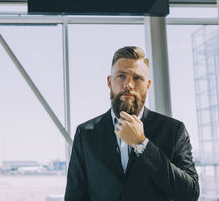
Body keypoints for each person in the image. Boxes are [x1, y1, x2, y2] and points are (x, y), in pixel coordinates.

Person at [65, 46, 199, 201]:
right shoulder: (85, 133)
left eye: (137, 78)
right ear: (109, 81)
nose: (128, 84)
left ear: (148, 85)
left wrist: (142, 144)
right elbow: (74, 197)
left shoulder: (173, 131)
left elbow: (190, 193)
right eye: (121, 76)